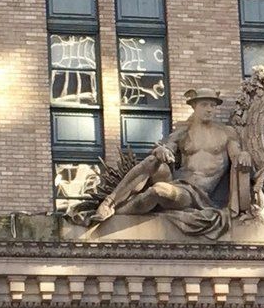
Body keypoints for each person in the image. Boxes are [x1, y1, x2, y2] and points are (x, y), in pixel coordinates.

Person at [91, 88, 251, 223]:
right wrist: (162, 151)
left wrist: (244, 155)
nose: (209, 109)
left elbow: (236, 155)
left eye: (212, 105)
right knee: (153, 160)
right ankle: (109, 202)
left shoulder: (226, 133)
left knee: (157, 191)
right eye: (204, 105)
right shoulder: (183, 133)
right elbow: (167, 148)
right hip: (177, 182)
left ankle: (118, 216)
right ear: (194, 106)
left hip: (198, 196)